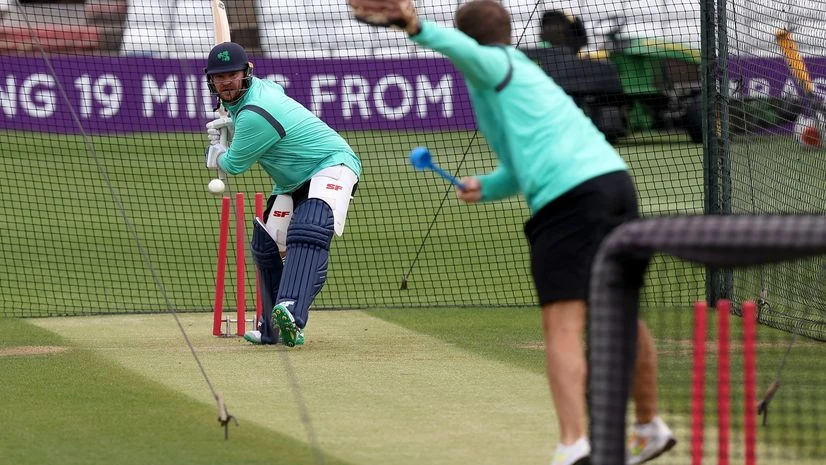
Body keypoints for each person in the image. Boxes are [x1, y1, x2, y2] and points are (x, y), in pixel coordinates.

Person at [347, 1, 675, 464]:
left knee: (562, 324)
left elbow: (467, 53)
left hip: (571, 202)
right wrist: (489, 184)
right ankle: (648, 426)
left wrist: (413, 25)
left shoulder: (494, 64)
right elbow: (525, 165)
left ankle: (573, 444)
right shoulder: (520, 72)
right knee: (620, 311)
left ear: (469, 38)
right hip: (613, 185)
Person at [203, 41, 362, 347]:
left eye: (232, 75)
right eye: (219, 77)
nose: (225, 82)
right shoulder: (258, 93)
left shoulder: (254, 114)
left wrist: (218, 153)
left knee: (308, 230)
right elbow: (267, 93)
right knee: (266, 244)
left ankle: (290, 311)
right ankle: (270, 328)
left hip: (331, 164)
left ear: (247, 73)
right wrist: (231, 118)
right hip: (290, 181)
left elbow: (234, 165)